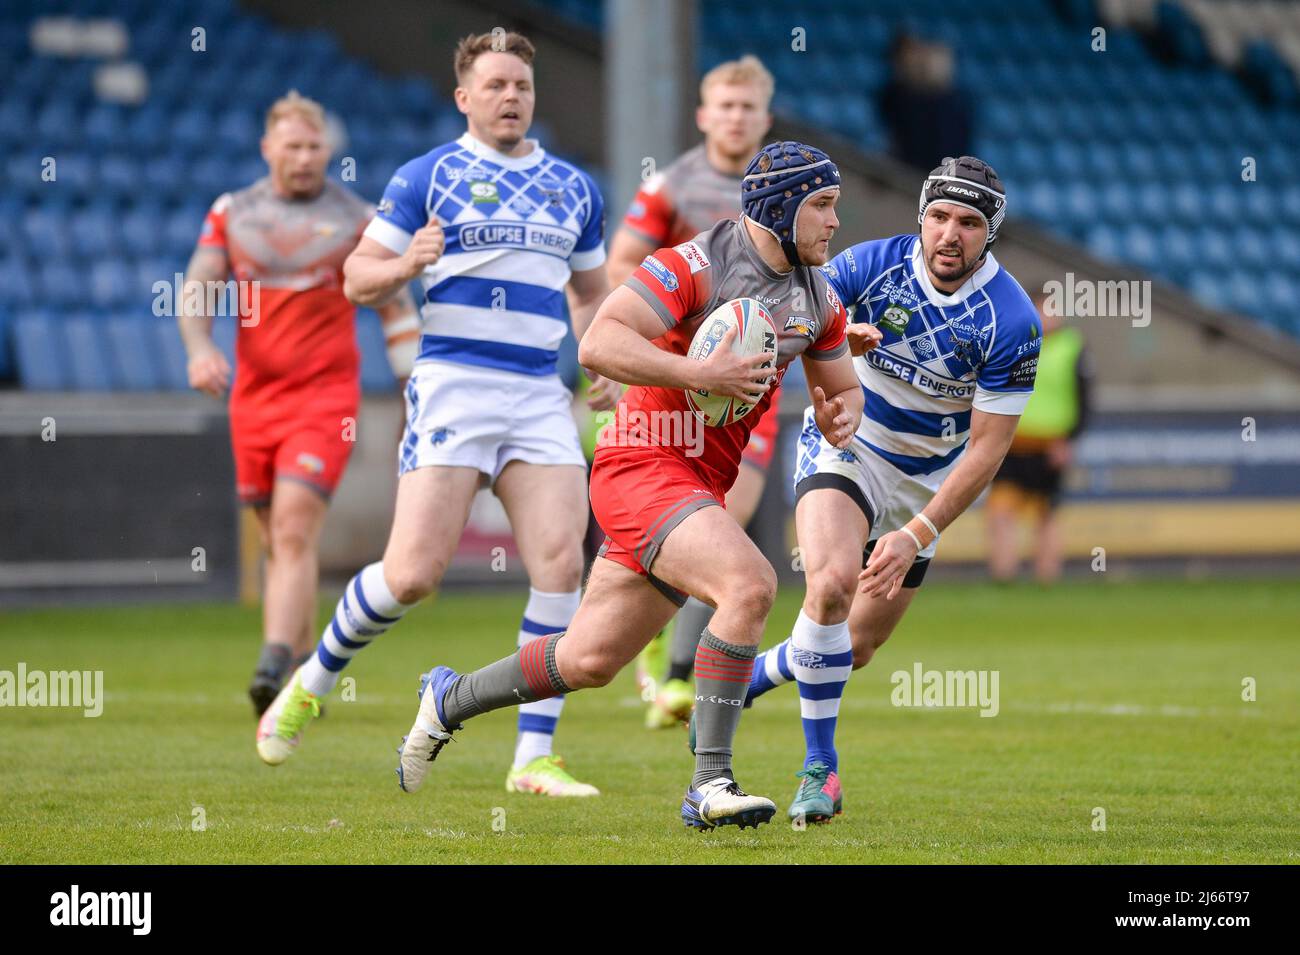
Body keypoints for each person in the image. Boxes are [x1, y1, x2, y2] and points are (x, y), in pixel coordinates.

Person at [394, 142, 862, 831]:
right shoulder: (694, 264)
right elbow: (598, 344)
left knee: (588, 658)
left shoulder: (819, 298)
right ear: (781, 205)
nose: (834, 222)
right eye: (822, 205)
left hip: (699, 481)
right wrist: (699, 375)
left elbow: (841, 387)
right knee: (750, 584)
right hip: (641, 463)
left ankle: (448, 698)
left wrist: (838, 409)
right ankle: (710, 782)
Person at [255, 32, 622, 799]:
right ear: (464, 97)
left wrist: (600, 361)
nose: (511, 97)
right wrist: (405, 264)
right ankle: (312, 680)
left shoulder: (574, 188)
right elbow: (358, 278)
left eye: (521, 84)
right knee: (414, 576)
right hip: (455, 383)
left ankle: (533, 757)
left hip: (536, 394)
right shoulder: (428, 177)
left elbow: (590, 293)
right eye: (494, 85)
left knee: (561, 564)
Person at [740, 156, 1042, 825]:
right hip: (847, 448)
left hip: (924, 486)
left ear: (989, 232)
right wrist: (837, 339)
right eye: (938, 216)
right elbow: (783, 323)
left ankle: (757, 672)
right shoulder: (867, 266)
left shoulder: (1011, 320)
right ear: (921, 218)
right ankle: (821, 771)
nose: (949, 233)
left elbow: (988, 449)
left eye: (968, 221)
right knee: (829, 585)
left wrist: (915, 534)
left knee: (857, 645)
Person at [178, 91, 420, 717]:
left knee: (292, 528)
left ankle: (272, 661)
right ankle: (305, 676)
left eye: (315, 146)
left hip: (325, 401)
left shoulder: (360, 219)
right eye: (293, 145)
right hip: (254, 402)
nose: (305, 157)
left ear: (328, 152)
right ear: (268, 148)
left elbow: (396, 309)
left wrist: (410, 391)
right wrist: (200, 348)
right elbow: (199, 287)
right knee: (277, 538)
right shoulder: (233, 213)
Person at [606, 55, 784, 730]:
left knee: (727, 522)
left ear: (764, 118)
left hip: (753, 389)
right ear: (705, 115)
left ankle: (678, 673)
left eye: (748, 108)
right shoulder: (672, 182)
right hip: (679, 387)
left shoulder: (781, 185)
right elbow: (624, 263)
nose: (736, 118)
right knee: (690, 530)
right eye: (725, 106)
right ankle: (662, 644)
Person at [985, 292, 1091, 583]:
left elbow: (1085, 400)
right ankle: (1003, 576)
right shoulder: (1013, 342)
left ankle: (1047, 578)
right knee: (1001, 511)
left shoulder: (1073, 348)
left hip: (1049, 444)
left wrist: (1069, 439)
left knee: (1047, 513)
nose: (1049, 317)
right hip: (1012, 442)